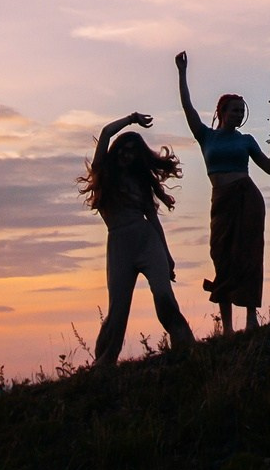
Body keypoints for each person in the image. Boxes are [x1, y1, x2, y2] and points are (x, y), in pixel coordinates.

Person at [175, 51, 270, 334]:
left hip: (247, 197)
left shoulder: (246, 140)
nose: (238, 114)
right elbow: (187, 107)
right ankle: (227, 328)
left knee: (248, 254)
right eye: (233, 110)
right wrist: (182, 72)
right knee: (221, 256)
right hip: (221, 200)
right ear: (221, 112)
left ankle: (250, 318)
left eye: (241, 111)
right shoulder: (206, 136)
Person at [80, 110, 198, 366]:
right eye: (124, 148)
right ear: (116, 151)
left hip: (147, 241)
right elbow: (106, 134)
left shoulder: (139, 181)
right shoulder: (104, 176)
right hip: (119, 247)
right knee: (117, 312)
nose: (127, 154)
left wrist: (167, 256)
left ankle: (186, 347)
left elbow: (153, 220)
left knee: (164, 296)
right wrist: (131, 119)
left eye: (133, 151)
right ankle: (104, 362)